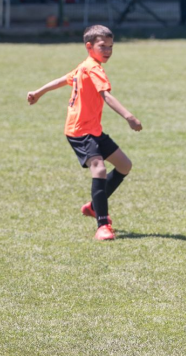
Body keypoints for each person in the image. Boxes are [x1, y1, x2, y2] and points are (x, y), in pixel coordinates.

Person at [27, 25, 142, 242]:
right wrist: (129, 116)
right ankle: (102, 224)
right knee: (98, 168)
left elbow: (64, 79)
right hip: (80, 131)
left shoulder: (86, 65)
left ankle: (92, 206)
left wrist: (39, 92)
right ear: (89, 46)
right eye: (102, 46)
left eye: (110, 46)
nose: (107, 50)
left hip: (92, 129)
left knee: (124, 165)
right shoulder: (93, 68)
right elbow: (106, 96)